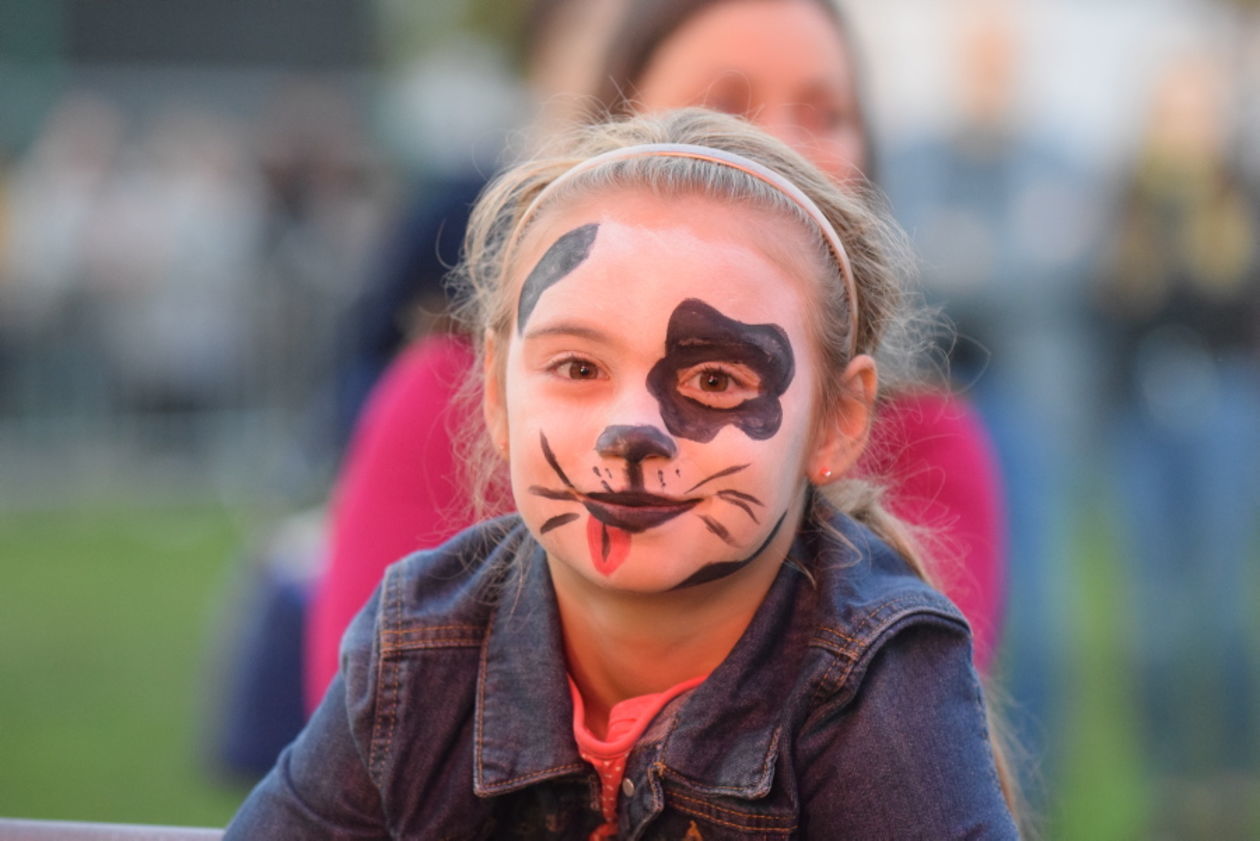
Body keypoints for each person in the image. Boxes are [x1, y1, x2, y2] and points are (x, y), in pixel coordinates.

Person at [225, 107, 1019, 840]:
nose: (631, 433)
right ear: (500, 391)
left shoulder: (875, 682)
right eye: (577, 366)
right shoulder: (418, 651)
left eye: (715, 381)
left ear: (838, 420)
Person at [306, 0, 1007, 712]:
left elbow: (898, 729)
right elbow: (375, 726)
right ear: (618, 132)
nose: (781, 146)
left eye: (826, 113)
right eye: (722, 106)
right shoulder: (437, 396)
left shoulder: (925, 440)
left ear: (839, 420)